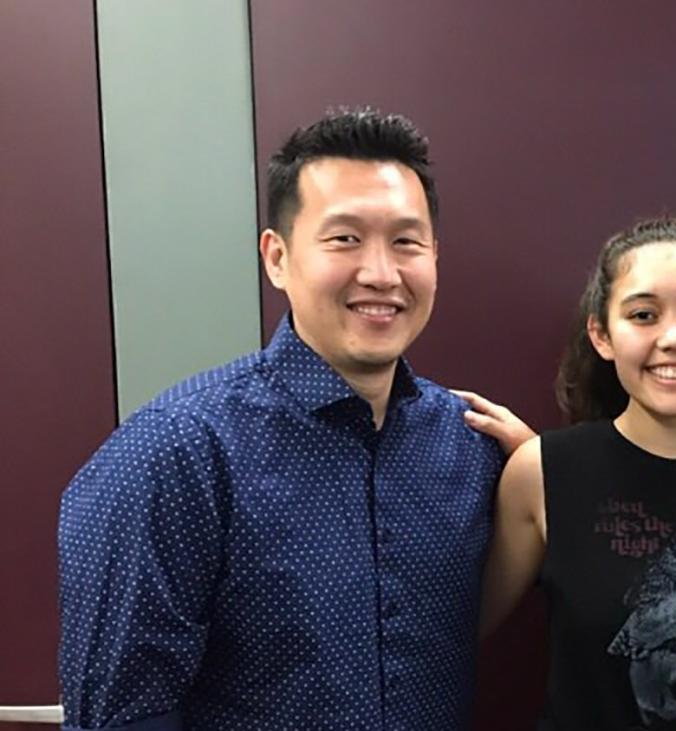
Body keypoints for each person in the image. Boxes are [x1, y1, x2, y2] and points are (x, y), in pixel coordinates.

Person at [58, 108, 531, 730]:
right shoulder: (176, 452)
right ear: (277, 257)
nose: (382, 273)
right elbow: (122, 715)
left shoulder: (468, 447)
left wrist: (539, 467)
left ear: (435, 257)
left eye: (407, 242)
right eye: (344, 238)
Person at [473, 215, 676, 730]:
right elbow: (450, 636)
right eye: (644, 314)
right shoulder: (540, 473)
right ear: (602, 334)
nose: (674, 337)